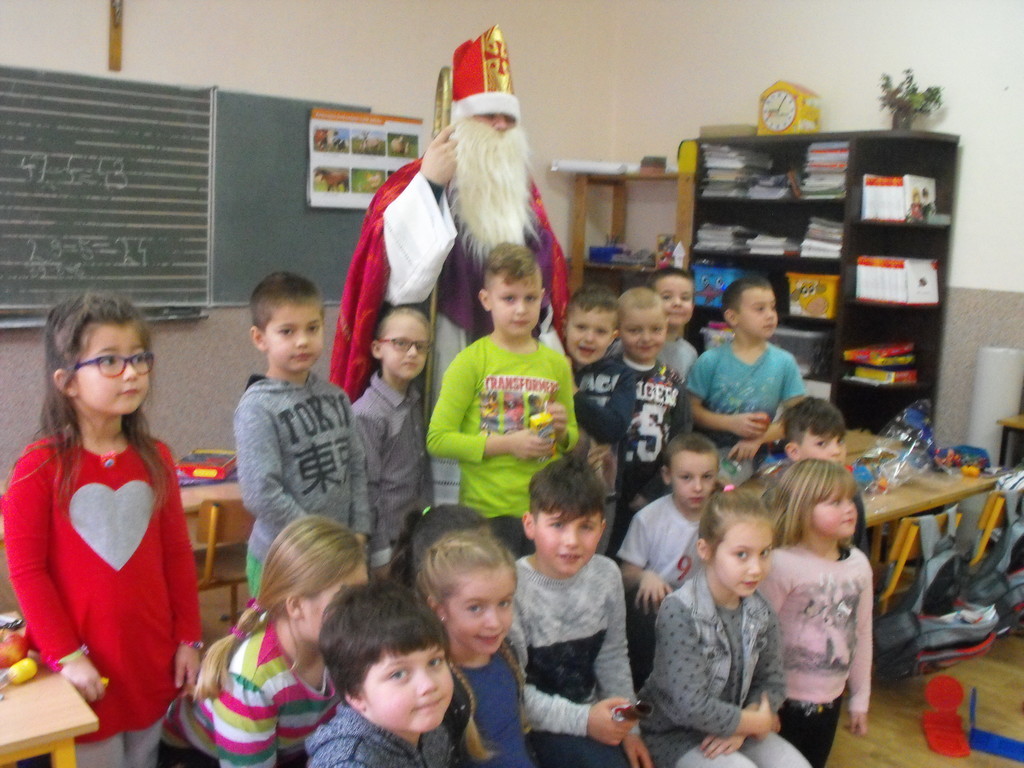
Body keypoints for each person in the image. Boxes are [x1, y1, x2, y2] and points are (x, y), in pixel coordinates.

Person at [3, 292, 202, 768]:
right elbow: (27, 573)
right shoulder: (38, 469)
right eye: (110, 361)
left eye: (139, 358)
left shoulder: (156, 457)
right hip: (87, 662)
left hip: (150, 654)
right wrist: (67, 655)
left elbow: (177, 554)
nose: (132, 373)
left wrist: (189, 638)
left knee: (144, 754)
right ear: (67, 381)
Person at [330, 24, 569, 411]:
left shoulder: (521, 190)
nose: (501, 126)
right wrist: (430, 185)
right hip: (442, 336)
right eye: (489, 115)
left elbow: (545, 269)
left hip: (514, 342)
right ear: (461, 121)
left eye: (509, 118)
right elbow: (397, 280)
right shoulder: (410, 181)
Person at [162, 516, 368, 768]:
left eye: (365, 595)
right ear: (295, 606)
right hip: (204, 756)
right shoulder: (251, 681)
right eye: (347, 599)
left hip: (287, 748)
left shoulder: (341, 640)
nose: (363, 610)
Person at [639, 490, 809, 768]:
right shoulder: (679, 610)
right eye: (742, 555)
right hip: (675, 734)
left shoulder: (762, 610)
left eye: (764, 553)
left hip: (739, 725)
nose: (756, 568)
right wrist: (754, 722)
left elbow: (772, 681)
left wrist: (747, 725)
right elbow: (690, 705)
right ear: (705, 550)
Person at [427, 244, 577, 555]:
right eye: (509, 298)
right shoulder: (470, 362)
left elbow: (570, 440)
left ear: (543, 298)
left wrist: (563, 433)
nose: (521, 309)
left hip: (545, 511)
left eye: (530, 298)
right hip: (486, 512)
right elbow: (438, 440)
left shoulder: (557, 364)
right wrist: (508, 444)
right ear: (486, 300)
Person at [510, 455, 653, 768]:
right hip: (536, 726)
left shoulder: (606, 575)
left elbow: (612, 658)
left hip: (593, 716)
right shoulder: (512, 588)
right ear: (530, 525)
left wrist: (630, 728)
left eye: (585, 527)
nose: (571, 541)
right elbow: (514, 693)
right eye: (558, 525)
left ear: (602, 529)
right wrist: (585, 720)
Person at [234, 271, 372, 594]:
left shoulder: (336, 397)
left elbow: (356, 467)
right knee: (284, 629)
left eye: (312, 328)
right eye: (287, 331)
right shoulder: (257, 407)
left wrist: (359, 531)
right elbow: (262, 493)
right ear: (260, 338)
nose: (302, 341)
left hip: (338, 555)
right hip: (284, 560)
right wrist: (318, 543)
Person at [760, 460, 872, 768]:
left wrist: (860, 697)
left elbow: (862, 632)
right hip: (781, 703)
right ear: (802, 509)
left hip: (831, 701)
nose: (849, 508)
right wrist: (762, 701)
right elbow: (757, 638)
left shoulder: (859, 564)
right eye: (834, 502)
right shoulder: (780, 564)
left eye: (849, 499)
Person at [419, 529, 536, 768]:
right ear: (440, 610)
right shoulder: (437, 686)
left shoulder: (506, 651)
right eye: (475, 608)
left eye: (504, 603)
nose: (494, 623)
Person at [307, 581, 455, 768]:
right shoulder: (349, 762)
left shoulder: (428, 723)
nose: (429, 684)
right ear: (356, 695)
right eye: (398, 674)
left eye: (434, 662)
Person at [617, 433, 719, 688]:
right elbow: (626, 574)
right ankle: (645, 689)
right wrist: (645, 576)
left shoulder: (722, 517)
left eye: (707, 477)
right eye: (686, 477)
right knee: (642, 609)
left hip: (706, 602)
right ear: (667, 476)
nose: (698, 487)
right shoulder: (648, 518)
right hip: (660, 603)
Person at [687, 276, 805, 478]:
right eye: (760, 309)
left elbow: (799, 416)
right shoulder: (709, 360)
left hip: (750, 453)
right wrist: (730, 423)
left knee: (720, 481)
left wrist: (759, 438)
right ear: (733, 317)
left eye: (772, 307)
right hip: (703, 447)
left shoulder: (784, 362)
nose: (770, 315)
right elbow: (691, 410)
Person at [611, 287, 692, 556]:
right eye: (635, 330)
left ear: (666, 326)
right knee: (608, 551)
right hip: (610, 485)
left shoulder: (673, 380)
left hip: (653, 485)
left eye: (656, 329)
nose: (646, 338)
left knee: (644, 556)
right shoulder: (606, 372)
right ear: (618, 329)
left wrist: (655, 489)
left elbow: (681, 437)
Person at [353, 306, 433, 574]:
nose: (412, 353)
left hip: (412, 534)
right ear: (378, 349)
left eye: (420, 346)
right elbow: (367, 489)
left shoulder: (414, 398)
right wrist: (378, 554)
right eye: (401, 343)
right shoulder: (367, 413)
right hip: (385, 543)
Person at [564, 285, 637, 517]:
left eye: (600, 331)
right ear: (565, 326)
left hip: (601, 492)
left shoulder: (622, 375)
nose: (589, 338)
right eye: (581, 327)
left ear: (613, 336)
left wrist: (572, 391)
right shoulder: (550, 367)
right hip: (554, 487)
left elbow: (613, 428)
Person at [650, 268, 698, 382]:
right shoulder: (633, 344)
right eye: (666, 297)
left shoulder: (690, 354)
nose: (677, 303)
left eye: (685, 298)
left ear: (693, 306)